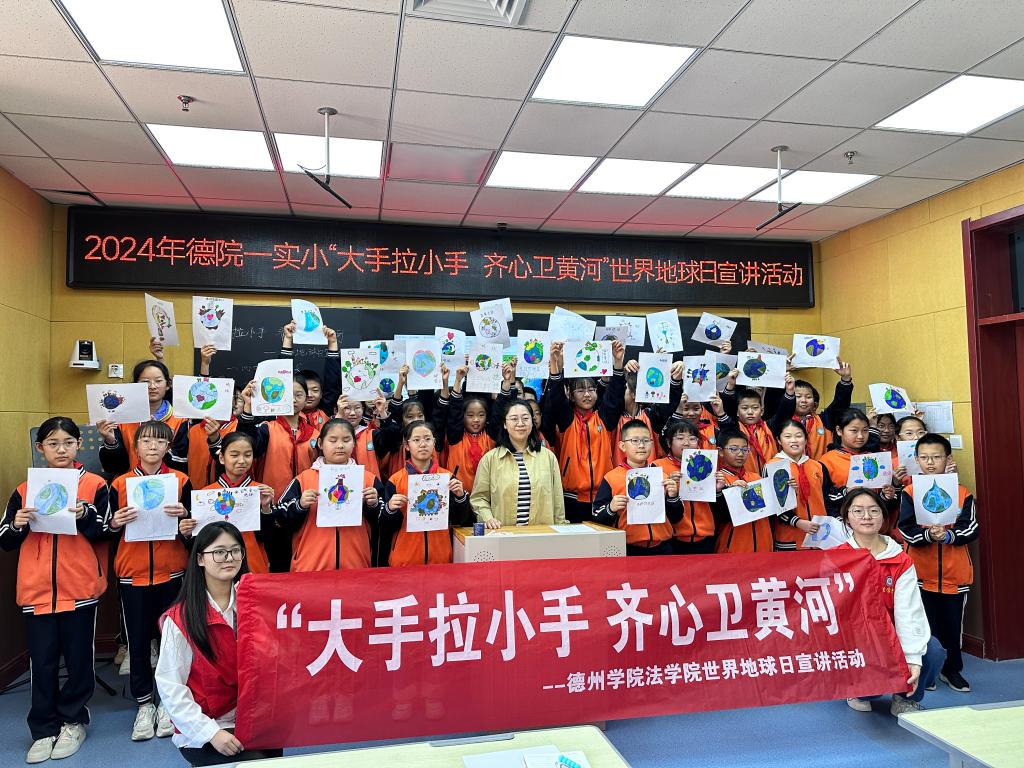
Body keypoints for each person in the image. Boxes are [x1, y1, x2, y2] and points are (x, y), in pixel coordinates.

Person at [0, 417, 108, 763]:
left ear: (79, 445)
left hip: (80, 587)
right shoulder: (24, 489)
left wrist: (86, 514)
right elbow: (5, 539)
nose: (61, 450)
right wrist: (17, 524)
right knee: (42, 663)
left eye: (68, 443)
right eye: (53, 443)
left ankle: (73, 720)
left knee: (79, 660)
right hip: (37, 589)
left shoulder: (95, 485)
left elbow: (106, 532)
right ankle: (44, 728)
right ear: (40, 447)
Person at [155, 521, 284, 765]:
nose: (229, 558)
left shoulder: (255, 606)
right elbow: (171, 687)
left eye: (235, 550)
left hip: (253, 715)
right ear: (200, 559)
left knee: (274, 758)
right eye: (219, 552)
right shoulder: (181, 618)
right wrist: (211, 733)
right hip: (207, 724)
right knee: (253, 762)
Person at [106, 420, 191, 742]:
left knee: (172, 643)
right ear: (136, 447)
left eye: (160, 441)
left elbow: (193, 528)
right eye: (146, 441)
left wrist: (185, 517)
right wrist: (115, 522)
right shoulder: (120, 484)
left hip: (173, 572)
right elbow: (105, 529)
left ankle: (169, 703)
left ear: (168, 447)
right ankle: (144, 703)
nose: (153, 446)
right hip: (133, 575)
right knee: (138, 643)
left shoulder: (181, 481)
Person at [839, 489, 945, 715]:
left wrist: (912, 658)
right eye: (858, 511)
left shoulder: (901, 560)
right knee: (869, 688)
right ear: (847, 517)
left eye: (873, 510)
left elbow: (908, 611)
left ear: (883, 516)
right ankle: (858, 691)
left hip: (892, 636)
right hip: (857, 640)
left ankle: (905, 697)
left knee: (933, 651)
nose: (866, 516)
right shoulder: (836, 557)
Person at [898, 434, 979, 693]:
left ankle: (951, 670)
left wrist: (948, 536)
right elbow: (905, 529)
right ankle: (927, 671)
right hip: (921, 573)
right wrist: (928, 536)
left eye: (936, 457)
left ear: (948, 458)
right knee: (923, 626)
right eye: (924, 457)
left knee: (953, 627)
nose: (930, 462)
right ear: (916, 460)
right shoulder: (910, 492)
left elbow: (971, 528)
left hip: (956, 574)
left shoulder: (963, 493)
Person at [234, 375, 319, 572]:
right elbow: (247, 444)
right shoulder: (267, 429)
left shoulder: (316, 435)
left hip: (305, 510)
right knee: (276, 565)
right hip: (271, 510)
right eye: (288, 395)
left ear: (306, 398)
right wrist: (248, 408)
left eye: (299, 395)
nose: (293, 400)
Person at [277, 419, 385, 571]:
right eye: (333, 440)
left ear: (354, 443)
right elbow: (280, 518)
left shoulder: (368, 479)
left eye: (346, 440)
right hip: (310, 566)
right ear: (320, 443)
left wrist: (373, 504)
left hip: (356, 564)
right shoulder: (304, 479)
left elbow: (385, 520)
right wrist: (300, 505)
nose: (340, 446)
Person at [542, 340, 627, 522]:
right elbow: (556, 398)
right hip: (571, 498)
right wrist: (555, 364)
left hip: (603, 495)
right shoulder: (566, 420)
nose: (587, 394)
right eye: (580, 390)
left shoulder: (603, 418)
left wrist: (618, 362)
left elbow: (615, 396)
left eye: (591, 389)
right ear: (572, 396)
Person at [181, 432, 276, 574]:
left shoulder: (260, 492)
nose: (242, 461)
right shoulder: (206, 494)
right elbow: (198, 542)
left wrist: (266, 507)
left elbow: (268, 537)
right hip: (216, 568)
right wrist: (187, 532)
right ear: (221, 458)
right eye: (234, 455)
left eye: (248, 455)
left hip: (252, 565)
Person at [383, 420, 473, 566]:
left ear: (434, 443)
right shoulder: (395, 480)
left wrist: (460, 497)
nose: (422, 444)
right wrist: (390, 509)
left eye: (427, 439)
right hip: (404, 560)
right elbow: (387, 527)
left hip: (441, 559)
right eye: (416, 440)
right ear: (406, 445)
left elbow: (461, 520)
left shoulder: (448, 478)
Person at [471, 401, 566, 528]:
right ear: (505, 424)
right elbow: (479, 498)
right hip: (504, 534)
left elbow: (558, 501)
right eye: (514, 419)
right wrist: (488, 519)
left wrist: (560, 528)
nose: (520, 423)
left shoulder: (548, 457)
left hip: (542, 534)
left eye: (525, 418)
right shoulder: (490, 460)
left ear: (532, 422)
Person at [593, 420, 682, 555]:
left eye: (646, 441)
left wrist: (673, 497)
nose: (641, 445)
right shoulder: (611, 478)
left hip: (663, 547)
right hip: (628, 549)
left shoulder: (662, 476)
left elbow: (676, 518)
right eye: (634, 441)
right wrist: (610, 508)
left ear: (652, 443)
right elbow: (596, 517)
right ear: (622, 446)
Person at [98, 354, 189, 476]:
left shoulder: (180, 419)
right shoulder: (121, 418)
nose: (152, 386)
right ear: (135, 385)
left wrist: (158, 441)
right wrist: (110, 441)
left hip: (167, 483)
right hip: (130, 482)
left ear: (167, 385)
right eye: (146, 382)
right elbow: (115, 467)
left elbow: (180, 463)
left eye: (158, 381)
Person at [655, 419, 716, 554]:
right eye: (680, 438)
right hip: (673, 538)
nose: (686, 443)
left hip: (705, 537)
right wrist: (668, 486)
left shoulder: (708, 464)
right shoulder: (657, 467)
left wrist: (719, 490)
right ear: (669, 442)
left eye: (692, 439)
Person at [770, 420, 832, 551]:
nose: (794, 440)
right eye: (787, 436)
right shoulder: (773, 467)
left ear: (805, 439)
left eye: (798, 436)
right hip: (789, 539)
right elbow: (773, 507)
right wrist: (797, 522)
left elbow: (827, 498)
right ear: (779, 440)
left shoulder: (818, 466)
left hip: (819, 536)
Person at [720, 372, 796, 475]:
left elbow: (784, 413)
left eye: (755, 408)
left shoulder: (769, 426)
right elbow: (727, 408)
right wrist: (730, 386)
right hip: (746, 480)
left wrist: (790, 391)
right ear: (737, 412)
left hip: (771, 478)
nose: (750, 412)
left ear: (762, 410)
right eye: (745, 408)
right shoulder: (735, 429)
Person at [712, 429, 772, 553]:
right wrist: (728, 491)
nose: (740, 454)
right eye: (734, 449)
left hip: (764, 545)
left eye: (745, 449)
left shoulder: (756, 478)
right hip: (734, 547)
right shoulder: (717, 480)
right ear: (720, 452)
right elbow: (719, 516)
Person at [442, 366, 497, 494]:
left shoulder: (491, 437)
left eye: (481, 415)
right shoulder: (456, 437)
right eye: (470, 415)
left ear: (487, 417)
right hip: (458, 495)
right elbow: (454, 411)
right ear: (463, 416)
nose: (476, 420)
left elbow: (499, 411)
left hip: (487, 497)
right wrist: (458, 380)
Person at [790, 362, 853, 459]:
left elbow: (840, 404)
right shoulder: (782, 421)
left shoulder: (824, 420)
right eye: (798, 396)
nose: (804, 400)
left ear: (814, 402)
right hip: (792, 468)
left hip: (821, 467)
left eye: (808, 397)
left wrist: (845, 380)